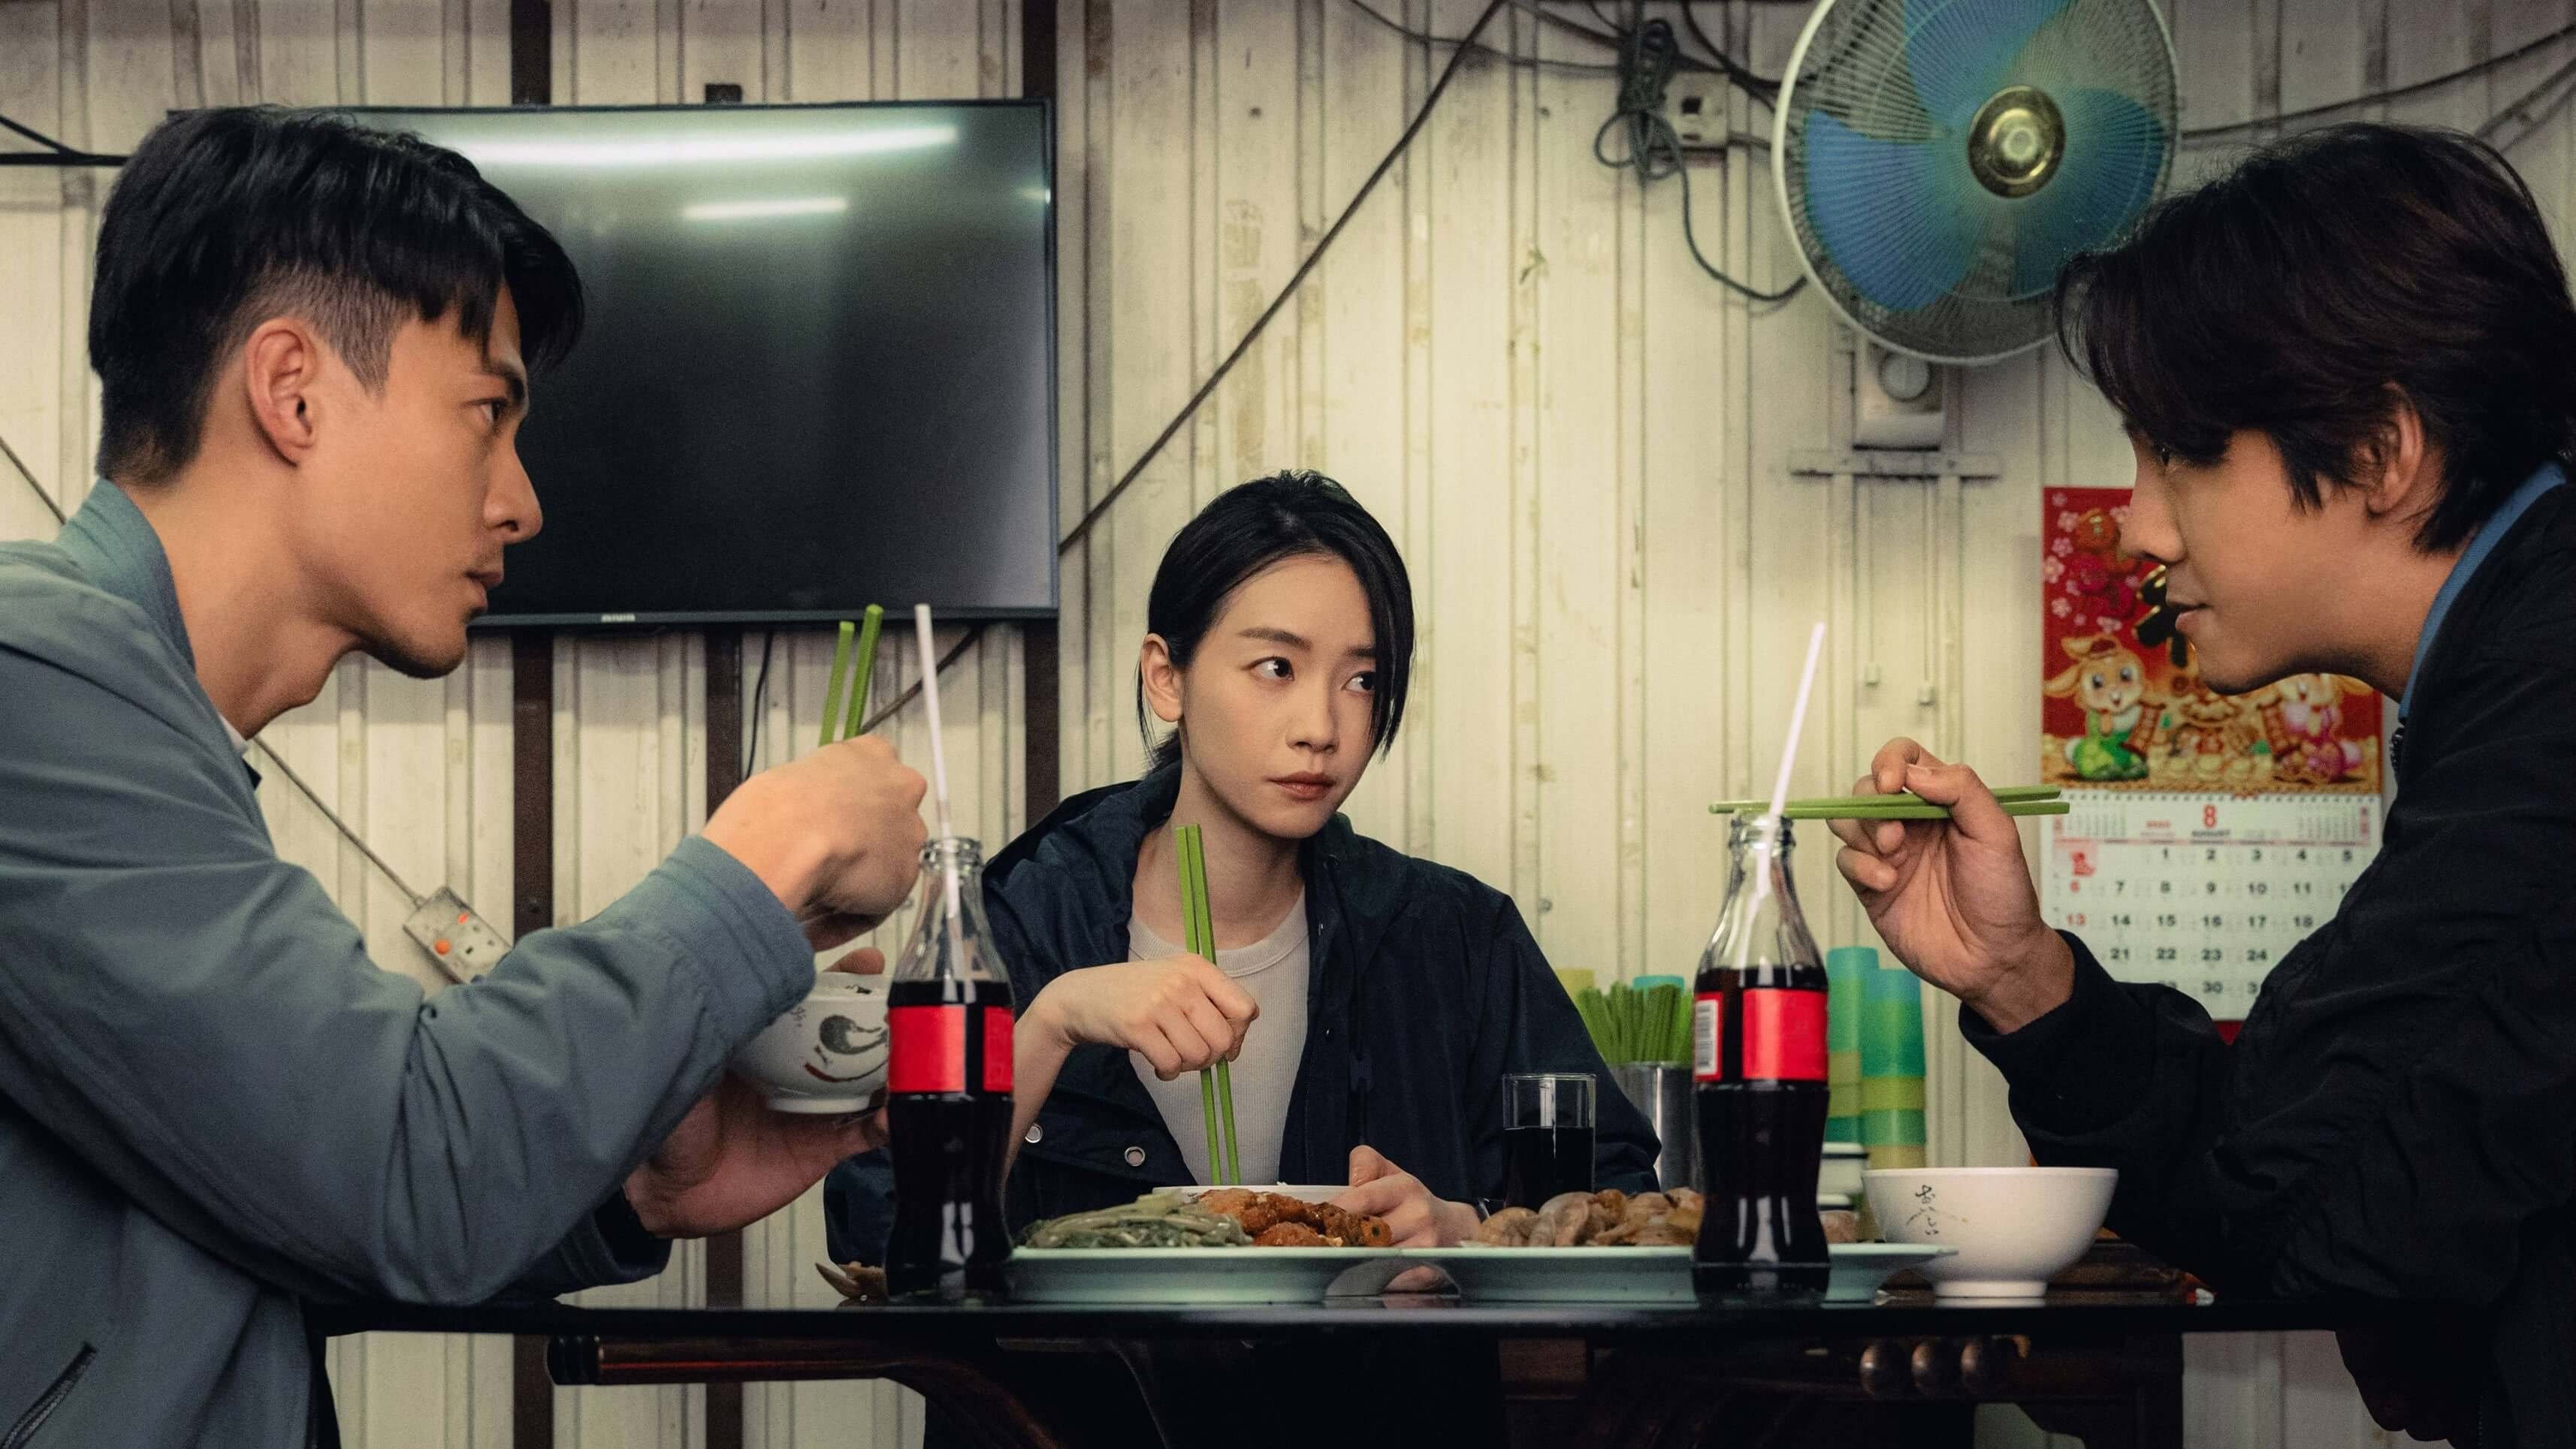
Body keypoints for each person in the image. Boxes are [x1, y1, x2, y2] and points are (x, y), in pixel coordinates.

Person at [0, 107, 930, 1447]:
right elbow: (402, 1164)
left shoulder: (124, 716)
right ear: (293, 390)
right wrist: (767, 851)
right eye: (486, 413)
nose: (521, 500)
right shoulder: (33, 677)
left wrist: (638, 1190)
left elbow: (273, 1215)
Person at [1831, 124, 2576, 1449]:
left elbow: (2307, 1211)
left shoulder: (2546, 717)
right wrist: (2019, 976)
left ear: (2378, 450)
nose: (2137, 525)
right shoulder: (2507, 667)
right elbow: (2310, 1174)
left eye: (2177, 451)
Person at [832, 472, 1655, 1266]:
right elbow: (877, 1228)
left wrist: (1464, 1230)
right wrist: (1049, 1025)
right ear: (1167, 678)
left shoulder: (1455, 938)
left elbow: (1620, 1207)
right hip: (1076, 1374)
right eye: (1276, 668)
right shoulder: (1015, 924)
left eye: (1361, 680)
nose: (1320, 727)